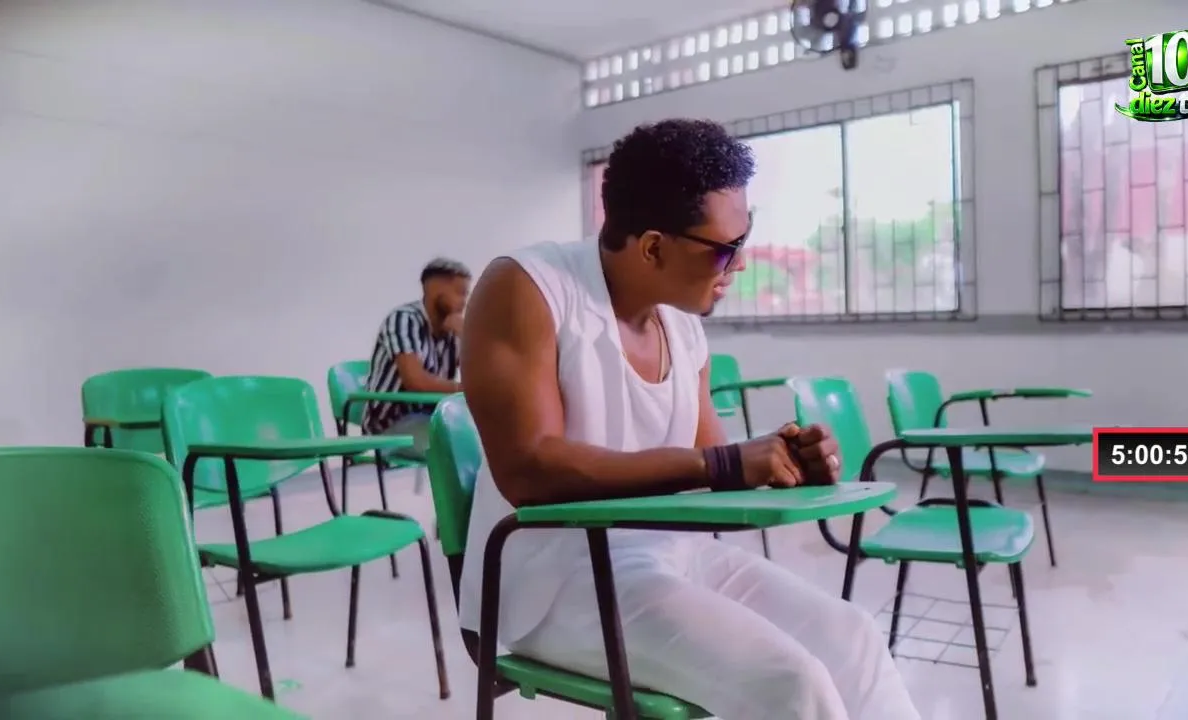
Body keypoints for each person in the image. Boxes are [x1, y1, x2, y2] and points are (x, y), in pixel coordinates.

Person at [458, 119, 920, 720]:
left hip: (671, 556)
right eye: (726, 249)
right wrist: (724, 464)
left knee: (854, 638)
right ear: (653, 247)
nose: (740, 265)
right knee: (791, 683)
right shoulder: (529, 289)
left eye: (745, 239)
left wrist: (783, 464)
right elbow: (528, 469)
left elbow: (712, 471)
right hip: (554, 582)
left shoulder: (681, 325)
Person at [362, 258, 470, 460]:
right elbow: (416, 381)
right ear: (435, 289)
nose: (464, 301)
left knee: (488, 437)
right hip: (392, 424)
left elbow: (477, 376)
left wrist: (467, 337)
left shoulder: (452, 328)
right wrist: (466, 389)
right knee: (460, 448)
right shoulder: (404, 319)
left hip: (434, 417)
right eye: (460, 292)